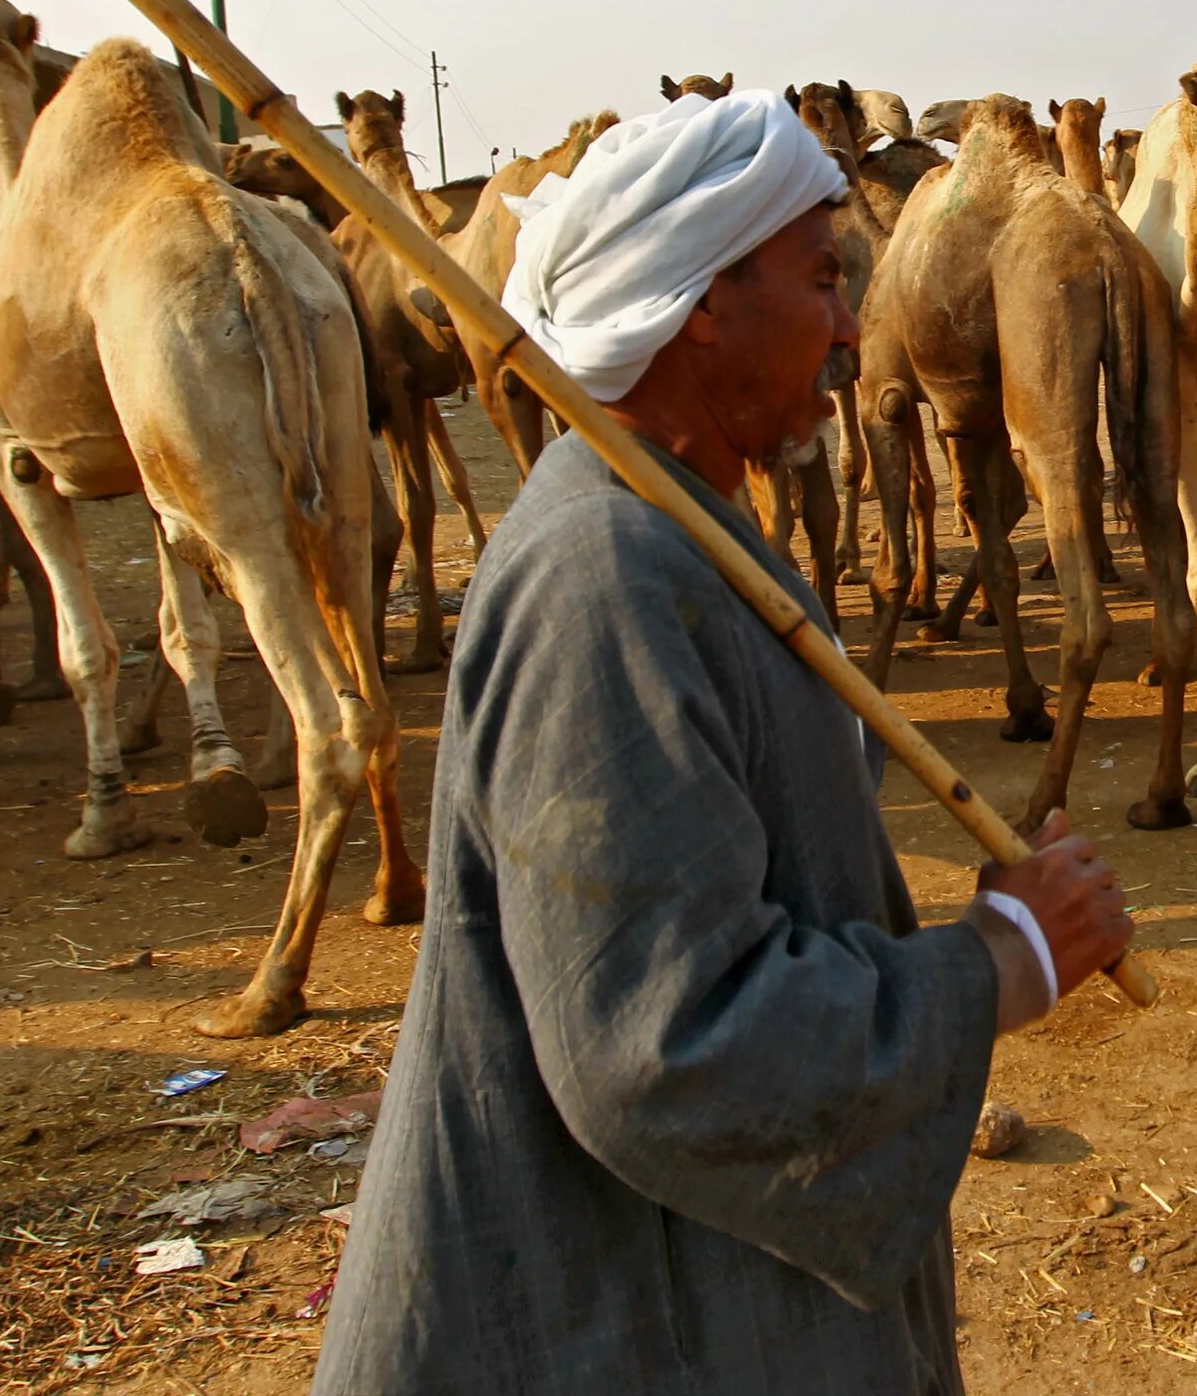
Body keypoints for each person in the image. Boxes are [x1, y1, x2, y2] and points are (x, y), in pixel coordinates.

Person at [315, 89, 1134, 1395]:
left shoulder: (688, 532)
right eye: (821, 281)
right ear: (698, 302)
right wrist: (993, 968)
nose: (855, 328)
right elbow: (661, 1037)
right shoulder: (606, 578)